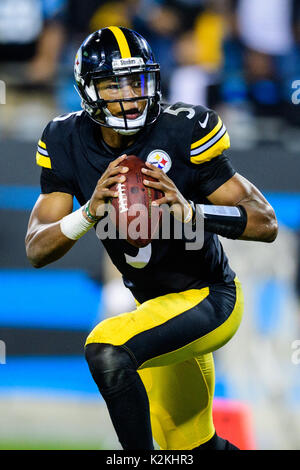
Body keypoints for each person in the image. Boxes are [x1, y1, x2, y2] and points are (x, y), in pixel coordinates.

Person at [25, 26, 278, 450]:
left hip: (210, 298)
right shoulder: (65, 139)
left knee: (107, 348)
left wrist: (192, 211)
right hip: (156, 308)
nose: (129, 96)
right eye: (113, 85)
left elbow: (265, 222)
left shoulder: (182, 130)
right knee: (191, 446)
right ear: (88, 91)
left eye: (137, 81)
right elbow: (36, 247)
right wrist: (87, 214)